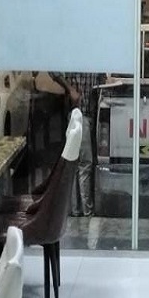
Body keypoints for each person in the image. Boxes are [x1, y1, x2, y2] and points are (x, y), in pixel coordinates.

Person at [50, 72, 105, 216]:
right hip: (79, 115)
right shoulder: (76, 63)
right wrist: (70, 89)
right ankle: (86, 210)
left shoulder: (93, 65)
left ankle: (75, 209)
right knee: (84, 163)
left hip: (87, 116)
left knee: (77, 163)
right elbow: (52, 70)